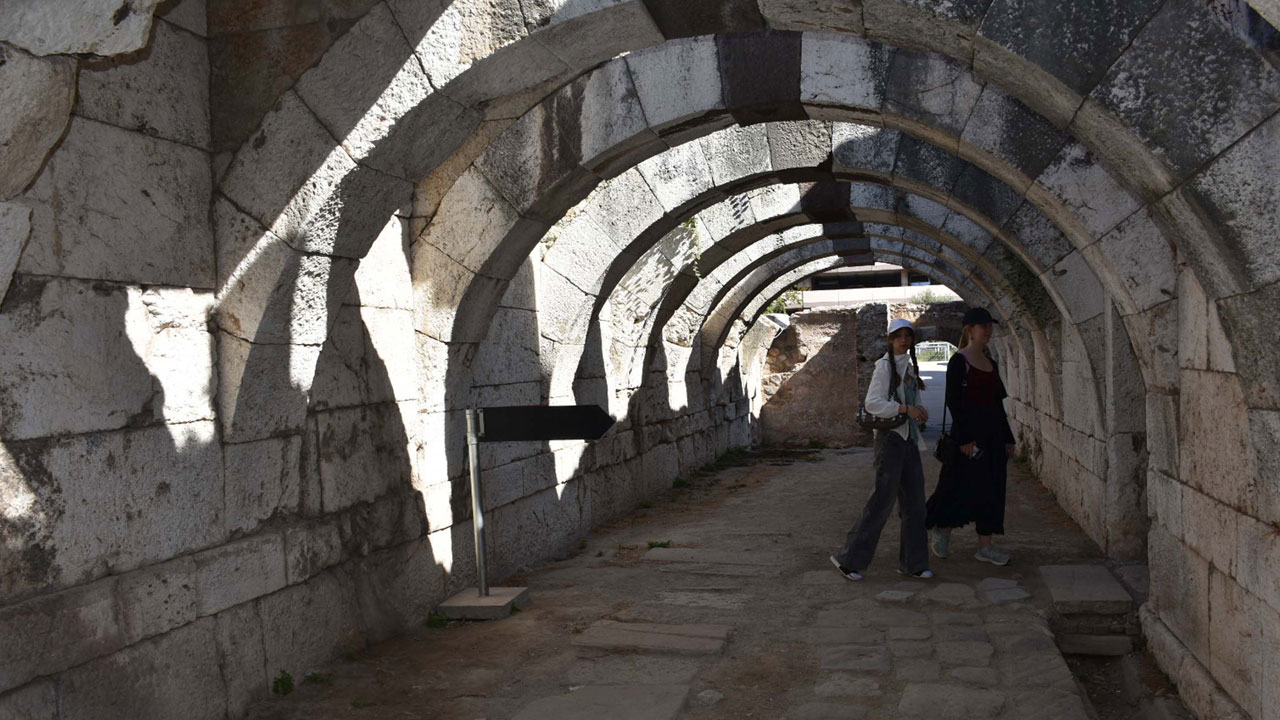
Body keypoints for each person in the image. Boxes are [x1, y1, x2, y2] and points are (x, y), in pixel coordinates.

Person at [830, 318, 933, 581]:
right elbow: (873, 403)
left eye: (908, 336)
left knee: (915, 504)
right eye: (898, 336)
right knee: (881, 502)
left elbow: (912, 397)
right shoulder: (884, 367)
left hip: (907, 437)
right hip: (890, 440)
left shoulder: (908, 366)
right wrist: (902, 409)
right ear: (890, 339)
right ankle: (848, 560)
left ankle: (914, 563)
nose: (904, 341)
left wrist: (918, 410)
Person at [925, 307, 1017, 566]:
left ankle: (985, 547)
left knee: (992, 489)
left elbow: (998, 405)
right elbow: (954, 402)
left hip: (993, 436)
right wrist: (965, 439)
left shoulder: (991, 363)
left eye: (990, 326)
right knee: (956, 486)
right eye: (982, 326)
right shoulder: (959, 362)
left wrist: (1008, 438)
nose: (988, 330)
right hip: (969, 436)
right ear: (969, 329)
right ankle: (942, 528)